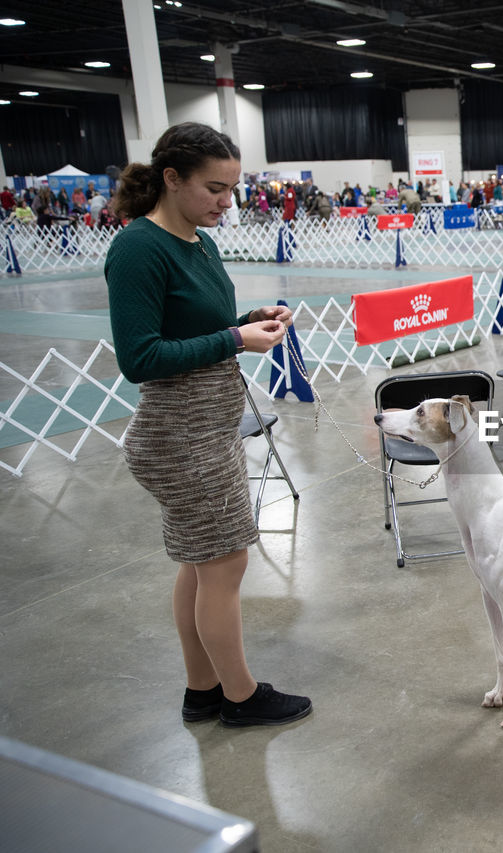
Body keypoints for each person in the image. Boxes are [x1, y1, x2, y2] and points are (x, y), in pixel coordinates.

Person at [104, 122, 312, 728]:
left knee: (201, 565)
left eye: (233, 188)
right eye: (215, 188)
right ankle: (242, 697)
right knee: (224, 566)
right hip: (180, 437)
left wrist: (249, 319)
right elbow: (139, 357)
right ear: (172, 179)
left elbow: (199, 325)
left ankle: (202, 690)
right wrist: (234, 338)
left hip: (207, 430)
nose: (229, 202)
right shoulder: (140, 248)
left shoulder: (196, 239)